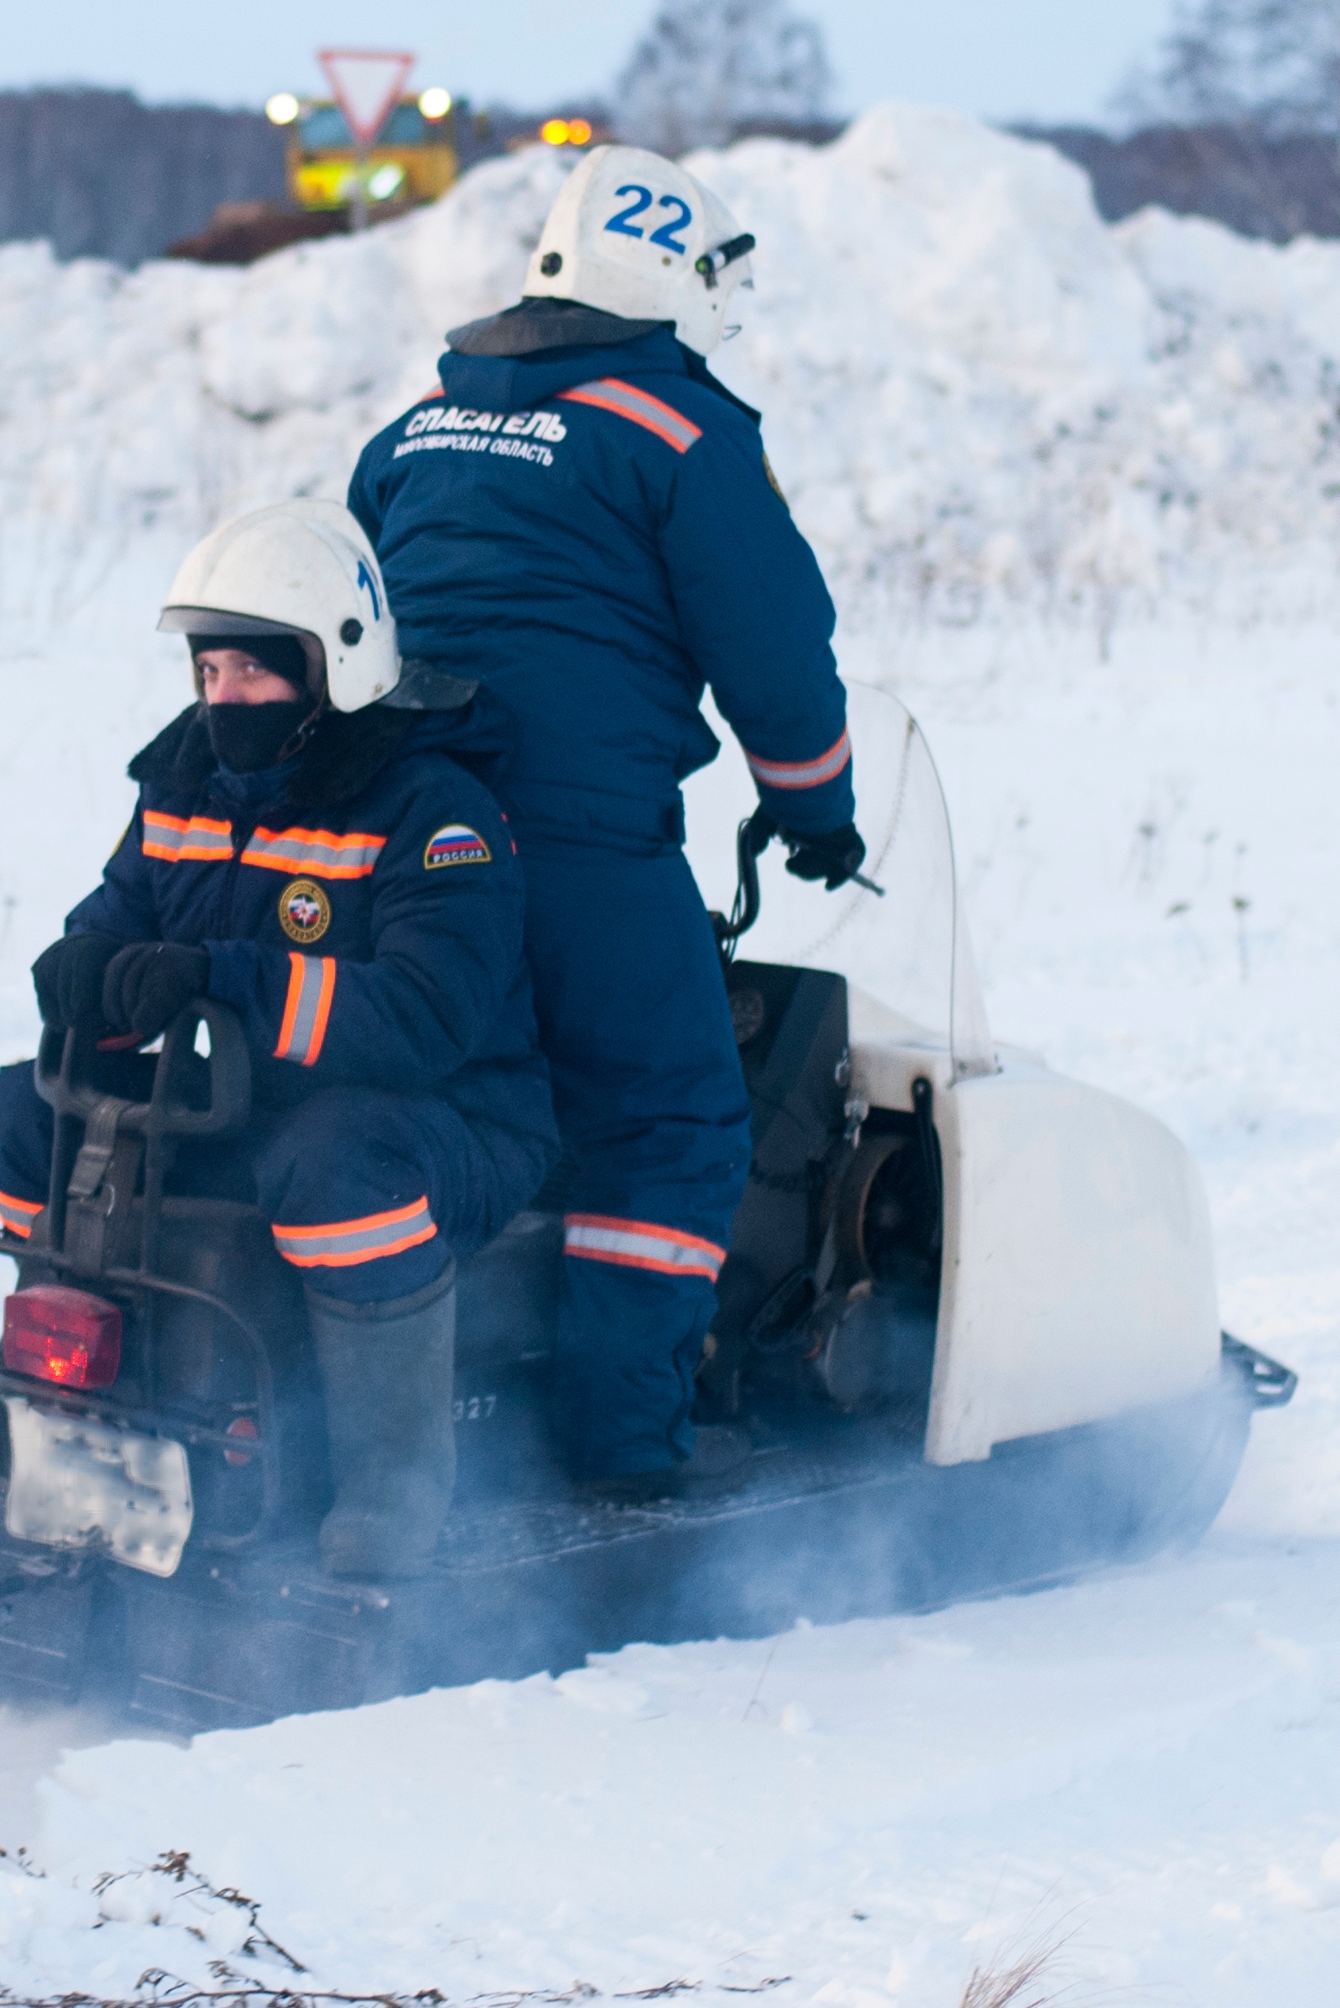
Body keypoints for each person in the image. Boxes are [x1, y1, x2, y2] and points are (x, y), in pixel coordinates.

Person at [346, 146, 867, 1501]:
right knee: (674, 1119)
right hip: (575, 843)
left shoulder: (415, 429)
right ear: (680, 282)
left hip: (392, 838)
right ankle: (621, 1458)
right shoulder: (685, 432)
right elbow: (775, 647)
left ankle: (425, 1413)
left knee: (462, 1099)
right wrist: (817, 812)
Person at [0, 500, 557, 1578]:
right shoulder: (182, 785)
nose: (224, 698)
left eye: (253, 671)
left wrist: (223, 981)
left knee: (333, 1159)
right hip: (246, 1102)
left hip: (457, 1124)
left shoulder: (436, 813)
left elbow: (426, 1018)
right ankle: (59, 1416)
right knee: (29, 1104)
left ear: (333, 665)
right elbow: (122, 912)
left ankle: (391, 1479)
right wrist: (85, 967)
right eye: (209, 673)